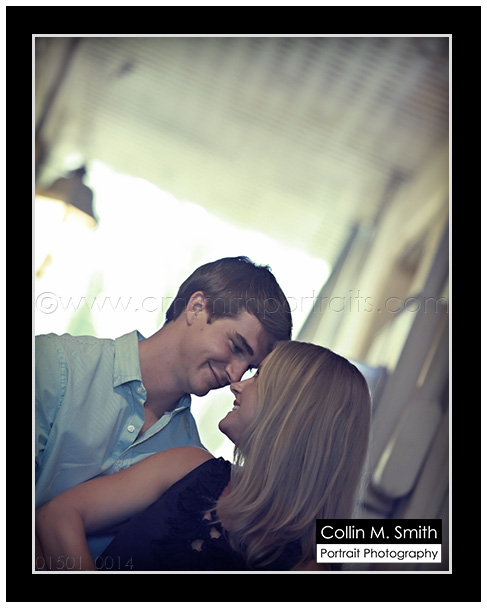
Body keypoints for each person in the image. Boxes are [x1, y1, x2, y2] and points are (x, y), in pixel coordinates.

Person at [35, 341, 371, 571]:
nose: (237, 384)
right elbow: (56, 515)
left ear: (294, 413)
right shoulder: (188, 465)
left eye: (260, 377)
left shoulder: (308, 564)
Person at [35, 256, 292, 515]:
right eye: (236, 346)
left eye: (249, 368)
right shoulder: (55, 364)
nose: (235, 376)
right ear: (196, 307)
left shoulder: (191, 459)